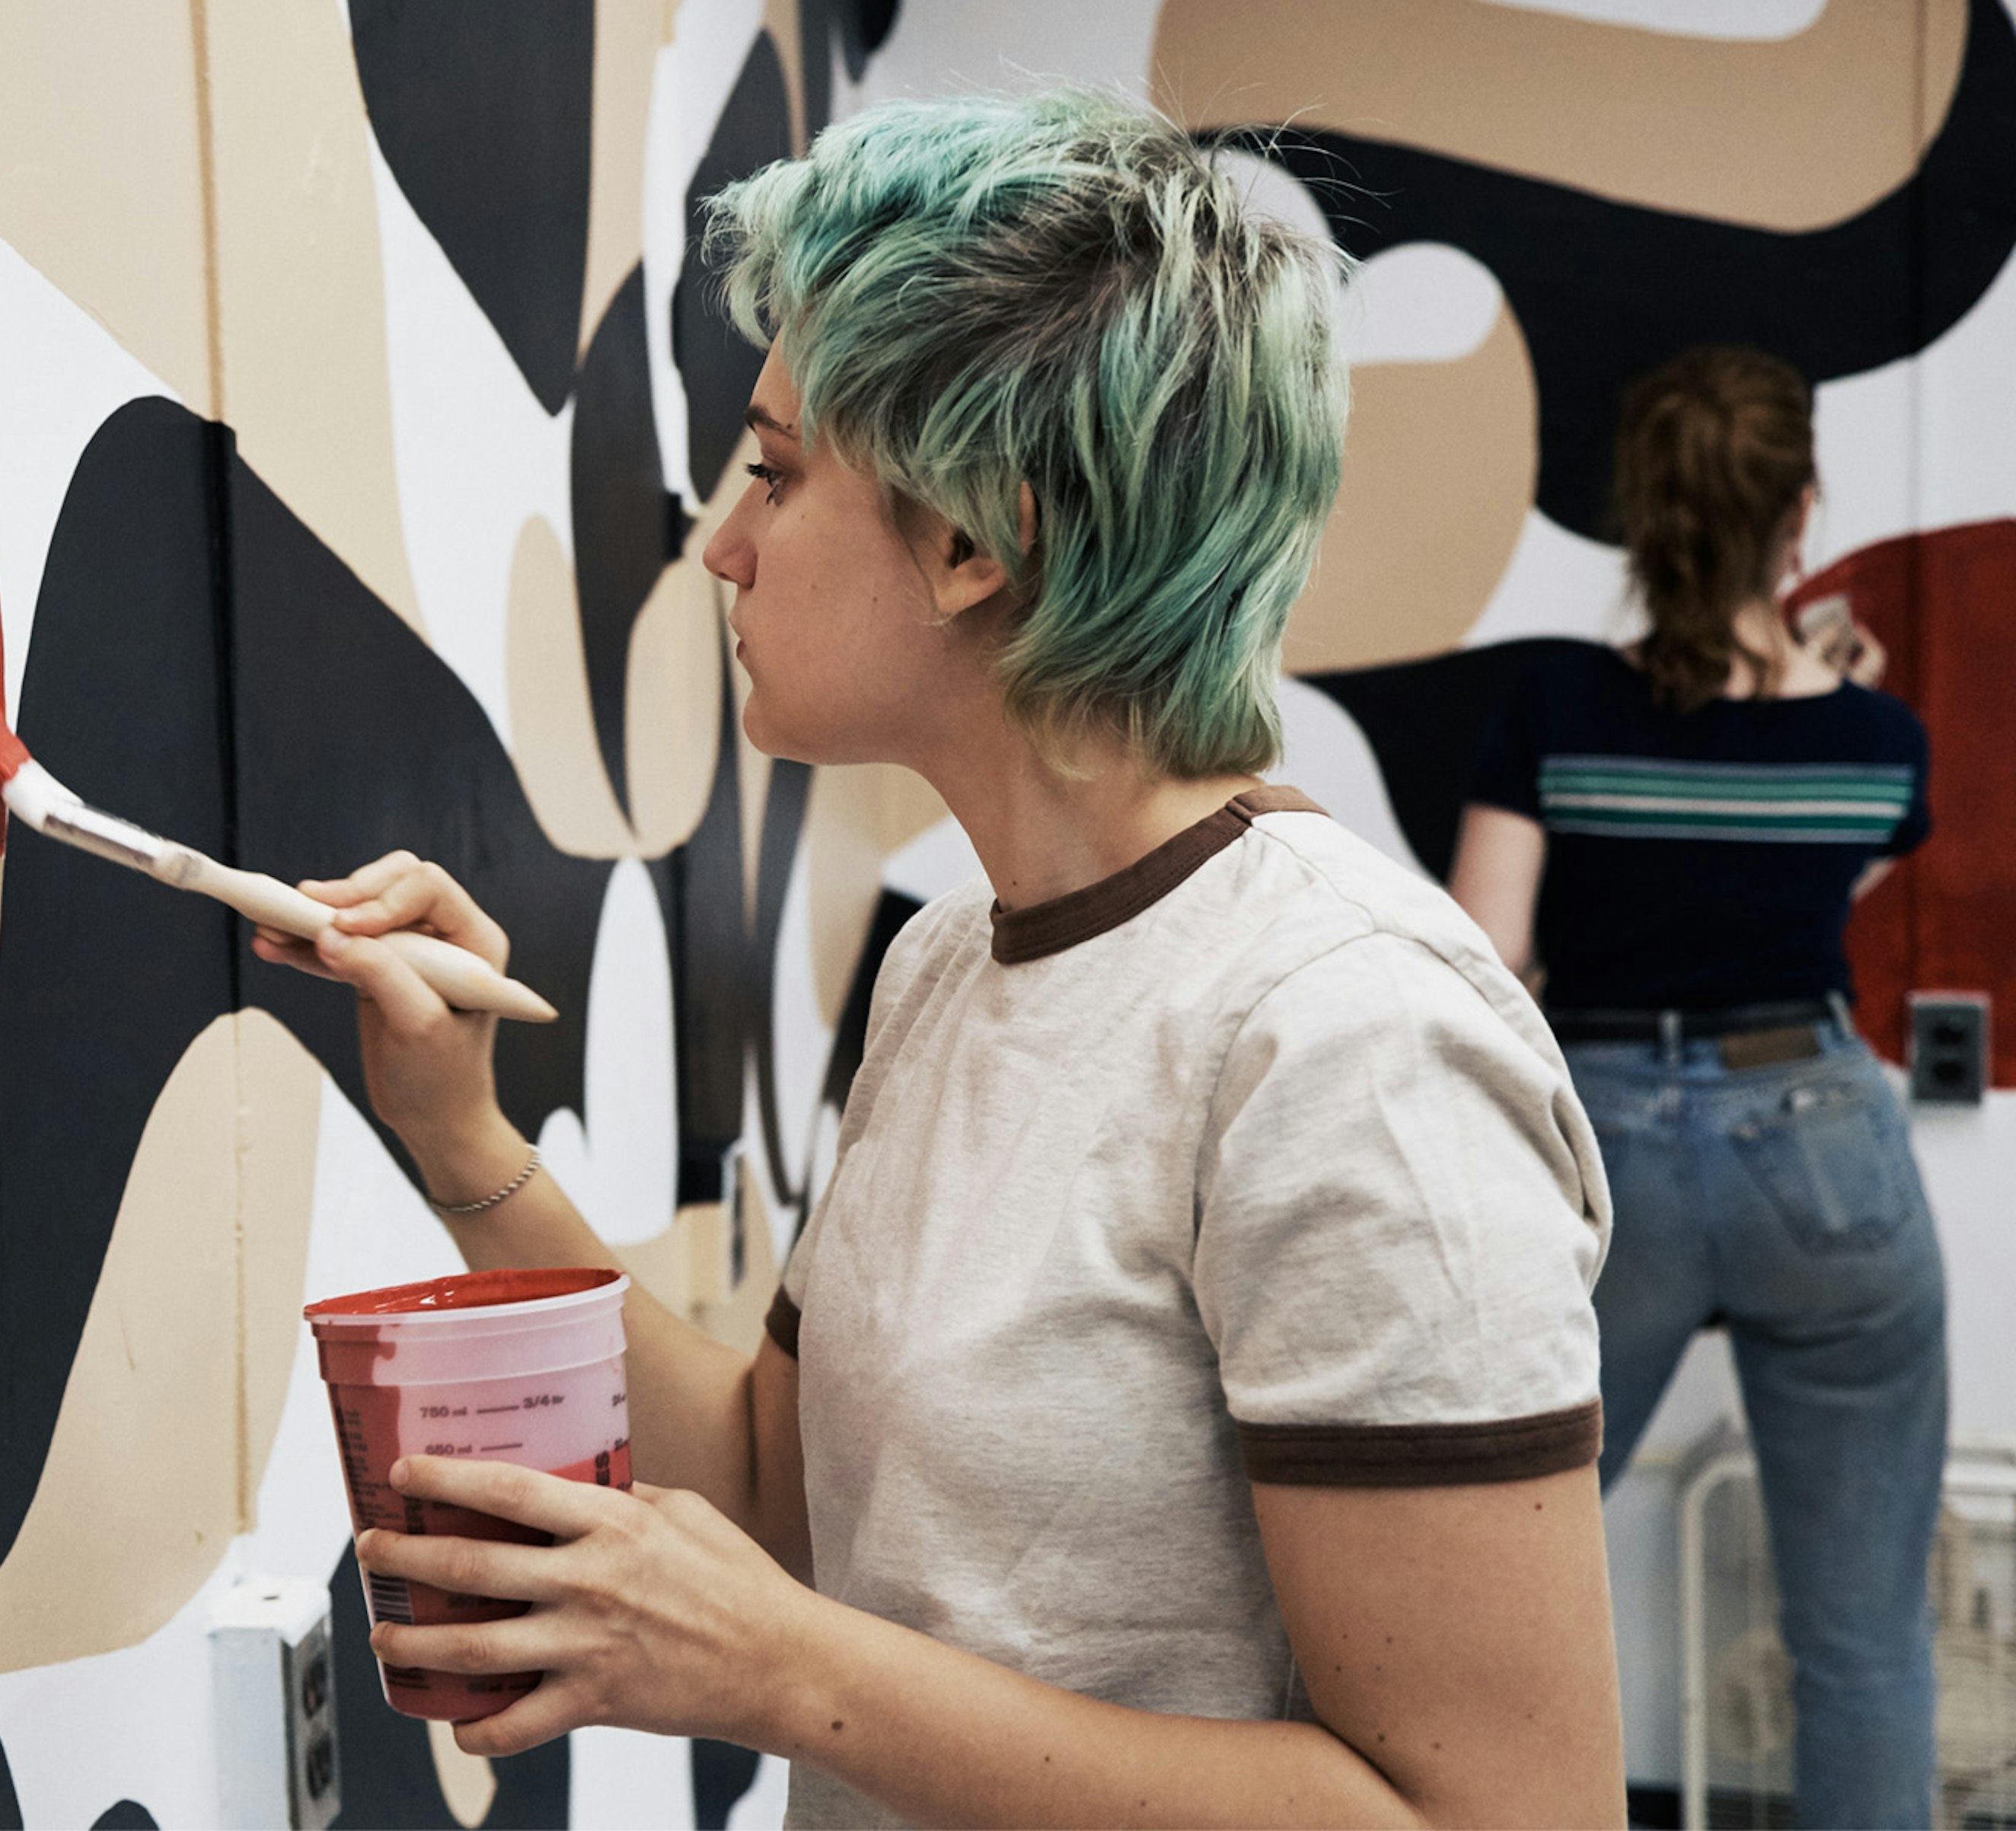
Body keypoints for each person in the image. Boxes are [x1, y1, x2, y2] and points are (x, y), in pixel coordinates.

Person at [256, 90, 1625, 1827]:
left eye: (776, 471)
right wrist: (465, 1133)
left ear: (979, 536)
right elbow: (779, 1488)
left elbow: (1498, 1818)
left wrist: (789, 1674)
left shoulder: (1346, 1039)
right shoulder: (954, 962)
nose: (723, 545)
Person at [1449, 344, 1944, 1830]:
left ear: (1639, 511)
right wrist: (1829, 688)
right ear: (1800, 516)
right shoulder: (1879, 747)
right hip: (1829, 1153)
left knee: (1480, 1594)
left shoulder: (1549, 702)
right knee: (1861, 1642)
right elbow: (1805, 900)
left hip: (1612, 1161)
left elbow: (1485, 964)